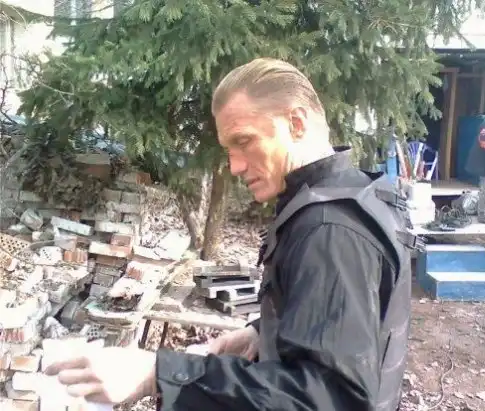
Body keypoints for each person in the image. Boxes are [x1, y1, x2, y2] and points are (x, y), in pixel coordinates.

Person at [45, 58, 416, 411]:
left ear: (296, 123)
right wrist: (262, 333)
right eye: (229, 149)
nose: (235, 166)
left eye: (244, 141)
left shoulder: (329, 230)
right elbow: (346, 326)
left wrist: (157, 373)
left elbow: (328, 398)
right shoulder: (350, 193)